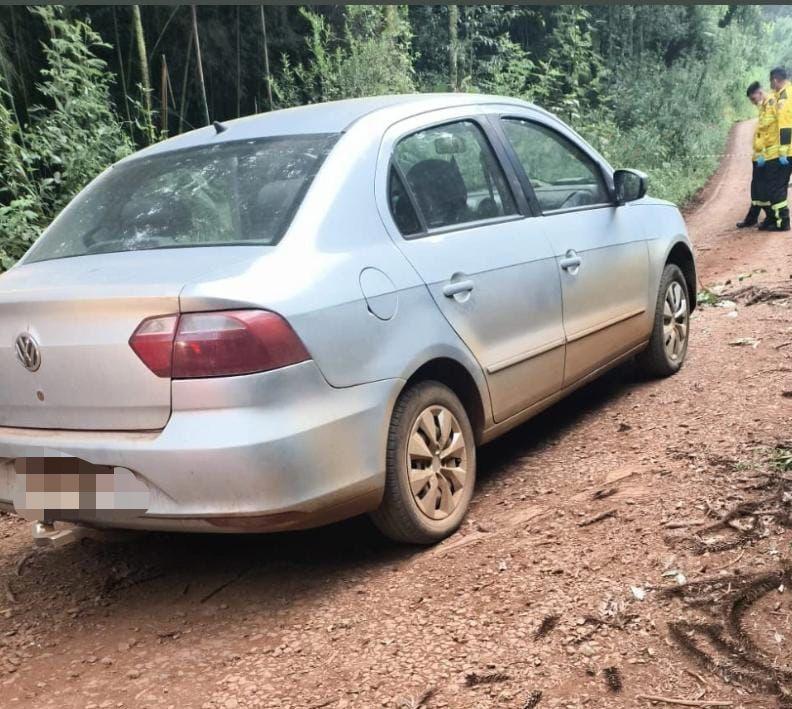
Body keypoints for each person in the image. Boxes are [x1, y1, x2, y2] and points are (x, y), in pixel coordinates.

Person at [737, 81, 773, 228]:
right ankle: (752, 218)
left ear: (760, 92)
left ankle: (770, 218)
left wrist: (764, 153)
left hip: (767, 155)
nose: (753, 103)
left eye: (753, 99)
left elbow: (770, 133)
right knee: (756, 188)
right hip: (760, 155)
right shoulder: (763, 106)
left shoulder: (771, 104)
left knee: (762, 189)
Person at [761, 67, 792, 231]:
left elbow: (786, 126)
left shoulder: (785, 97)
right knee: (777, 186)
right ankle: (778, 219)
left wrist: (783, 151)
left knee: (777, 187)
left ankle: (783, 222)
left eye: (770, 82)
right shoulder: (783, 94)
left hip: (786, 152)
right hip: (787, 150)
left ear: (775, 80)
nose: (771, 85)